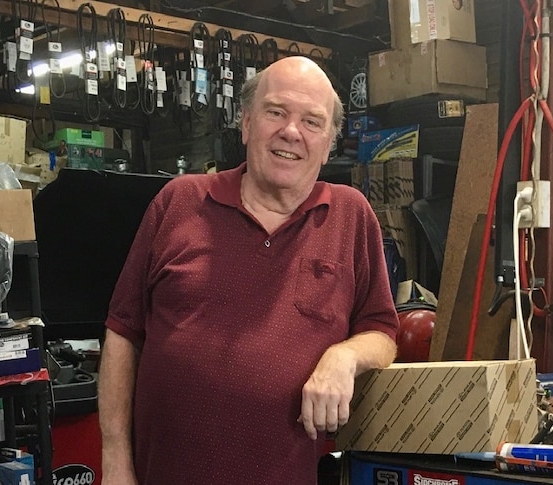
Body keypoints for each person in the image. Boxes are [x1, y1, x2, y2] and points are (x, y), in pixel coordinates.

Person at [98, 56, 399, 484]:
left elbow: (382, 333)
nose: (291, 132)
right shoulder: (180, 202)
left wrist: (344, 356)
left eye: (312, 122)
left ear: (329, 141)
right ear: (245, 123)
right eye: (275, 112)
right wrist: (114, 460)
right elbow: (122, 330)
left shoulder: (350, 216)